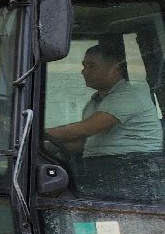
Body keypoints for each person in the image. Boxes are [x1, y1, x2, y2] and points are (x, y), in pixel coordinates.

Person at [46, 43, 163, 198]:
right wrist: (47, 147)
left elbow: (85, 129)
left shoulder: (128, 96)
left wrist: (37, 133)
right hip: (105, 171)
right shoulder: (94, 103)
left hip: (133, 173)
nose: (84, 72)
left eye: (92, 66)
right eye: (84, 66)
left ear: (115, 68)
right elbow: (86, 142)